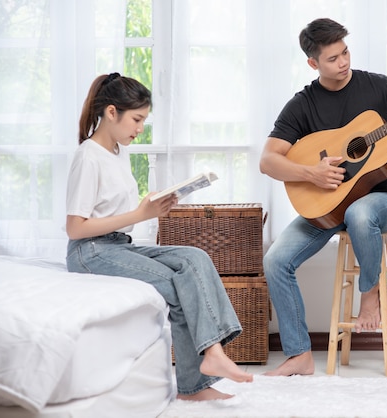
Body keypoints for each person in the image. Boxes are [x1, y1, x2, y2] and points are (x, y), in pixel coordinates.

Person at [259, 18, 387, 376]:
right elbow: (268, 160)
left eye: (345, 52)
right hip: (328, 206)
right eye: (333, 58)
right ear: (313, 63)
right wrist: (311, 174)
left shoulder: (379, 89)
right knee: (275, 261)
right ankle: (300, 355)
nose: (343, 62)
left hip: (380, 202)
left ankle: (370, 296)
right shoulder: (302, 104)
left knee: (361, 214)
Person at [65, 72, 253, 401]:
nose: (140, 128)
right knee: (177, 283)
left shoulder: (118, 152)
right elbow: (75, 227)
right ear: (112, 113)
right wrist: (140, 215)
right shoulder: (88, 156)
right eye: (136, 119)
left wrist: (152, 207)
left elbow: (115, 213)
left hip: (118, 244)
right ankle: (200, 375)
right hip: (89, 251)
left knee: (195, 257)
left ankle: (212, 356)